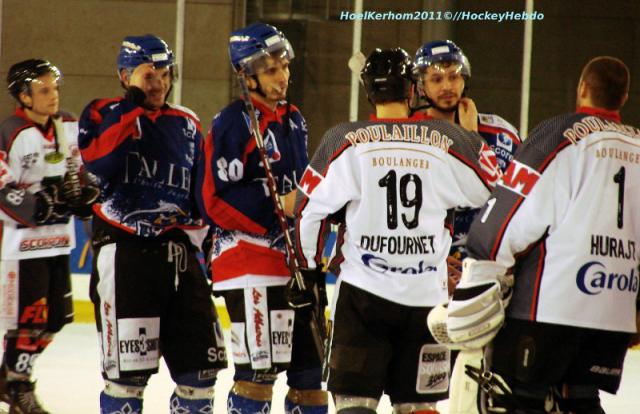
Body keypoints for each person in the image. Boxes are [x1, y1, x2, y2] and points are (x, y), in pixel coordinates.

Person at [294, 48, 501, 414]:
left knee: (354, 405)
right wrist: (472, 138)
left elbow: (307, 211)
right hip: (426, 299)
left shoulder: (345, 140)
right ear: (412, 91)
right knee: (419, 407)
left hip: (362, 298)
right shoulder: (447, 140)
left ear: (369, 94)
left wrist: (309, 270)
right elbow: (496, 190)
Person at [445, 56, 638, 413]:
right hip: (613, 311)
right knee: (579, 397)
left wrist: (481, 267)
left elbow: (513, 212)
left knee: (518, 398)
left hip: (548, 310)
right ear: (624, 97)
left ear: (581, 88)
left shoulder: (560, 135)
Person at [78, 35, 227, 414]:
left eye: (165, 73)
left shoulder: (188, 123)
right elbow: (101, 162)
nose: (159, 82)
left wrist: (214, 250)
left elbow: (201, 195)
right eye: (148, 75)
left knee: (201, 377)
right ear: (125, 75)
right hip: (125, 256)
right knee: (127, 381)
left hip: (179, 256)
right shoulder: (101, 111)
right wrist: (132, 109)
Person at [197, 22, 327, 414]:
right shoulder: (233, 122)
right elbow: (213, 198)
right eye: (271, 70)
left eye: (284, 66)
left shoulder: (294, 119)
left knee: (310, 378)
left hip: (294, 264)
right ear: (246, 74)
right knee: (259, 376)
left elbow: (301, 186)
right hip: (248, 261)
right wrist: (278, 206)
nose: (283, 76)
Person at [0, 58, 99, 414]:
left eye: (54, 88)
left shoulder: (68, 125)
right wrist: (34, 206)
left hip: (59, 241)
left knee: (56, 318)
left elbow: (81, 169)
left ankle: (8, 375)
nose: (53, 96)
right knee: (29, 319)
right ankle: (17, 386)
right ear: (24, 96)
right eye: (43, 90)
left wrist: (87, 192)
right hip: (22, 247)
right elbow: (1, 185)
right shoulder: (11, 132)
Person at [413, 40, 521, 290]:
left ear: (465, 79)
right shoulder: (410, 137)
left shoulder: (501, 134)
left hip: (490, 270)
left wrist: (472, 136)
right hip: (426, 270)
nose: (447, 86)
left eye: (453, 76)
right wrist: (433, 258)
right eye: (436, 80)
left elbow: (517, 202)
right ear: (421, 86)